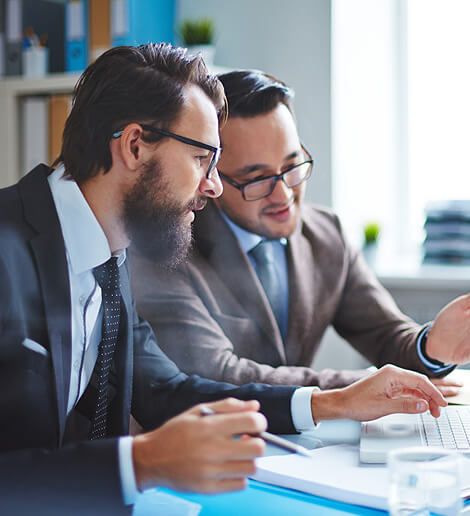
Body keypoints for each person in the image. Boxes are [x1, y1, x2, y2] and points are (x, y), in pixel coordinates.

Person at [0, 46, 447, 516]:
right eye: (202, 159)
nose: (213, 185)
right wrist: (142, 462)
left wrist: (329, 404)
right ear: (134, 146)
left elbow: (167, 392)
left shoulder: (110, 255)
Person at [131, 69, 470, 391]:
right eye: (256, 179)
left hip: (304, 447)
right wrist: (359, 389)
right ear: (212, 177)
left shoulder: (326, 233)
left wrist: (431, 345)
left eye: (292, 166)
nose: (283, 195)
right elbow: (219, 375)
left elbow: (387, 336)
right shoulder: (168, 248)